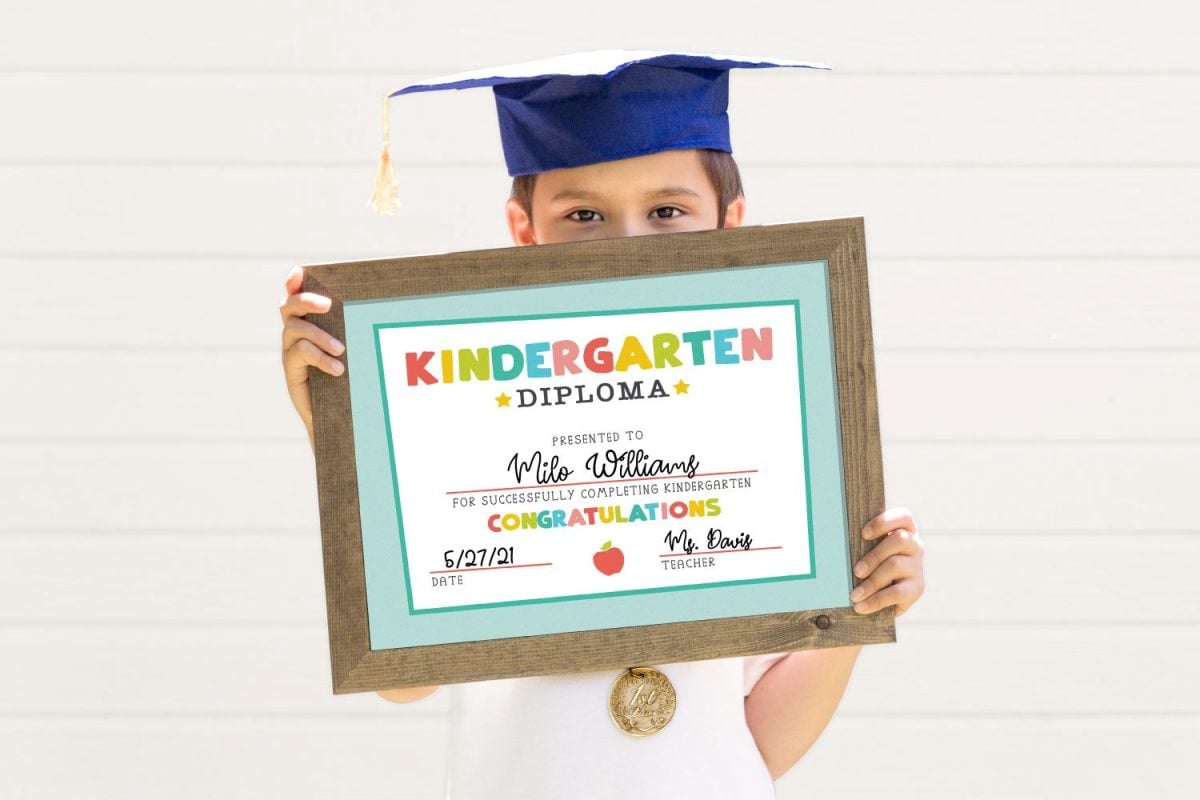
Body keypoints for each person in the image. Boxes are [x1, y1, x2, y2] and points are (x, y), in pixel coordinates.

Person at [279, 51, 926, 798]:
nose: (627, 244)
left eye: (667, 211)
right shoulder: (456, 432)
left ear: (731, 227)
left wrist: (860, 604)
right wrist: (341, 434)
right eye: (583, 215)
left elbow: (762, 746)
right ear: (524, 231)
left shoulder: (771, 433)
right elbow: (404, 684)